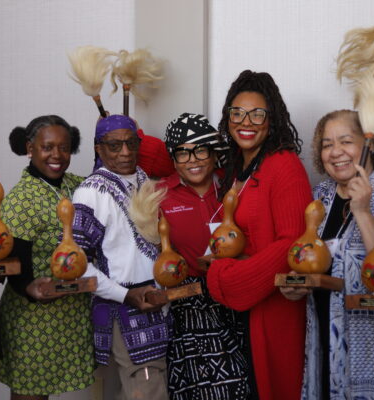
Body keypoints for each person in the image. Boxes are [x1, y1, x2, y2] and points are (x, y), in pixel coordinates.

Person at [281, 110, 374, 399]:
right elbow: (311, 262)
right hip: (328, 347)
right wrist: (296, 287)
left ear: (369, 144)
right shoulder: (319, 197)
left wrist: (362, 210)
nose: (335, 152)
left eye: (346, 141)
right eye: (326, 144)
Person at [206, 70, 312, 400]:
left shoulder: (284, 164)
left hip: (273, 307)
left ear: (272, 118)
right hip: (242, 313)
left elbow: (293, 242)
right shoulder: (239, 167)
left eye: (257, 113)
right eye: (236, 113)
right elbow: (168, 157)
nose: (245, 121)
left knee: (274, 387)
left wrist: (225, 278)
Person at [0, 115, 94, 400]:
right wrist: (29, 286)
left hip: (69, 316)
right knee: (31, 394)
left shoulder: (78, 187)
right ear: (30, 148)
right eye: (47, 147)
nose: (57, 155)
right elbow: (14, 260)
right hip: (34, 320)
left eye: (64, 148)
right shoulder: (21, 197)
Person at [72, 114, 170, 400]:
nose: (125, 152)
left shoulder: (145, 181)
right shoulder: (90, 193)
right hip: (125, 311)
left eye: (131, 143)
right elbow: (74, 266)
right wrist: (125, 295)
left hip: (158, 306)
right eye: (114, 146)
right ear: (98, 148)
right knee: (147, 392)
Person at [159, 113, 250, 399]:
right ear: (173, 160)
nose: (193, 160)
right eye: (183, 153)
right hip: (188, 307)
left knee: (241, 385)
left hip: (235, 299)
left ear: (213, 153)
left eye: (200, 150)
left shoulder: (234, 188)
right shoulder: (158, 196)